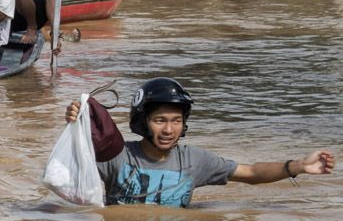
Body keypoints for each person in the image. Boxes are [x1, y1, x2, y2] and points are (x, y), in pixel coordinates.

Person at [64, 77, 336, 207]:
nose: (169, 129)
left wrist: (299, 165)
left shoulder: (194, 161)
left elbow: (251, 173)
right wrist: (76, 124)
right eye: (160, 120)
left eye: (176, 120)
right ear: (142, 122)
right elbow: (66, 178)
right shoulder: (117, 156)